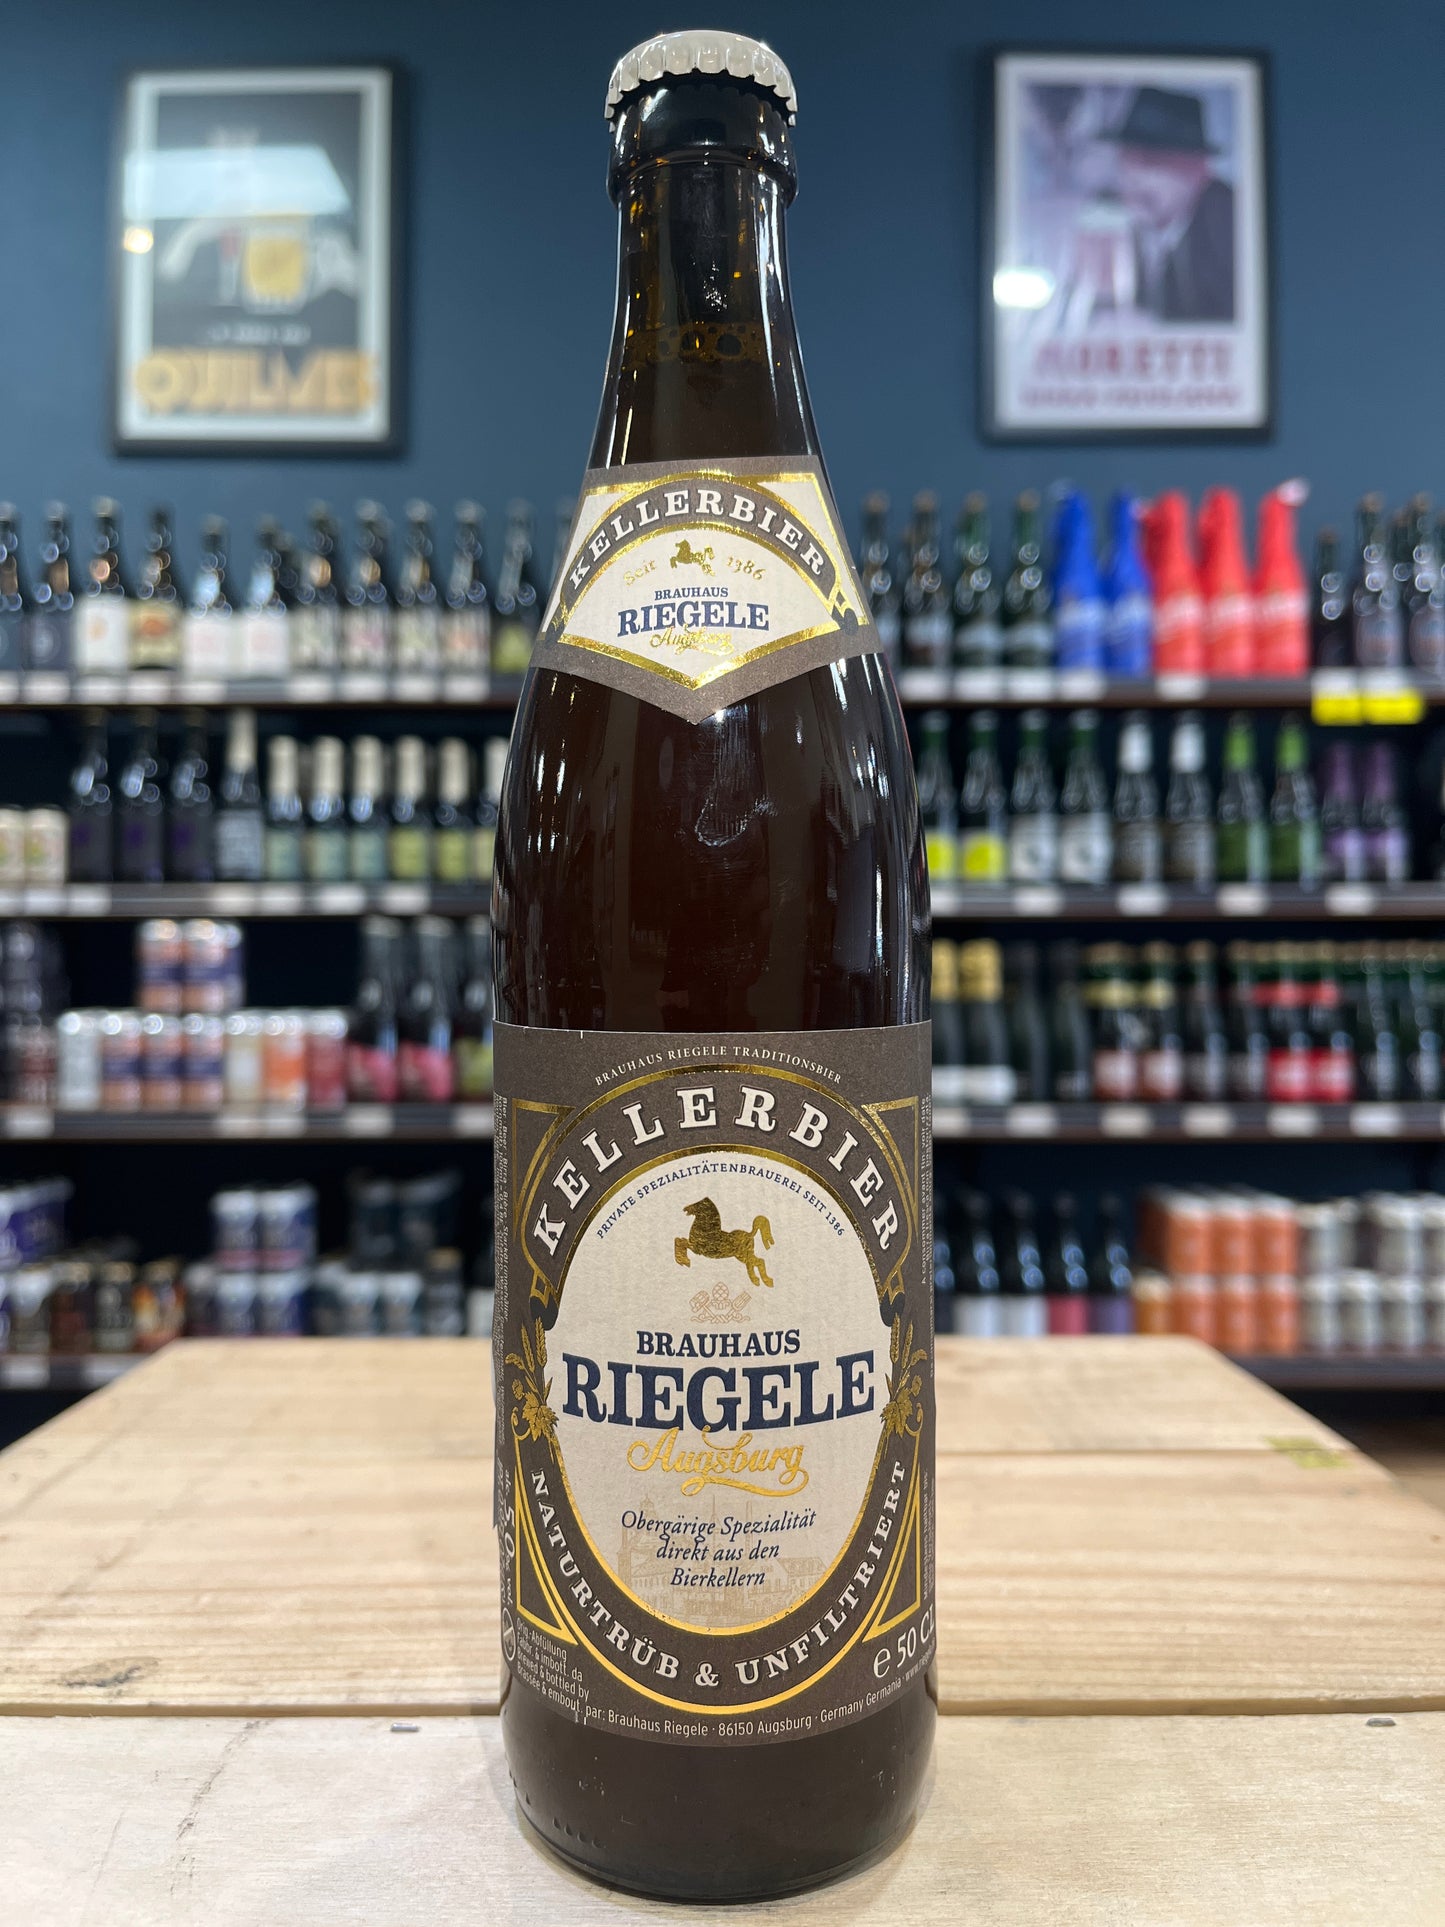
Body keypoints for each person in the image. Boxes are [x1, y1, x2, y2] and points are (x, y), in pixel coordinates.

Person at [1105, 86, 1236, 323]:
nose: (1135, 177)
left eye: (1153, 161)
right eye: (1127, 159)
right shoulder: (1112, 224)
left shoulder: (1232, 224)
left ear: (1200, 169)